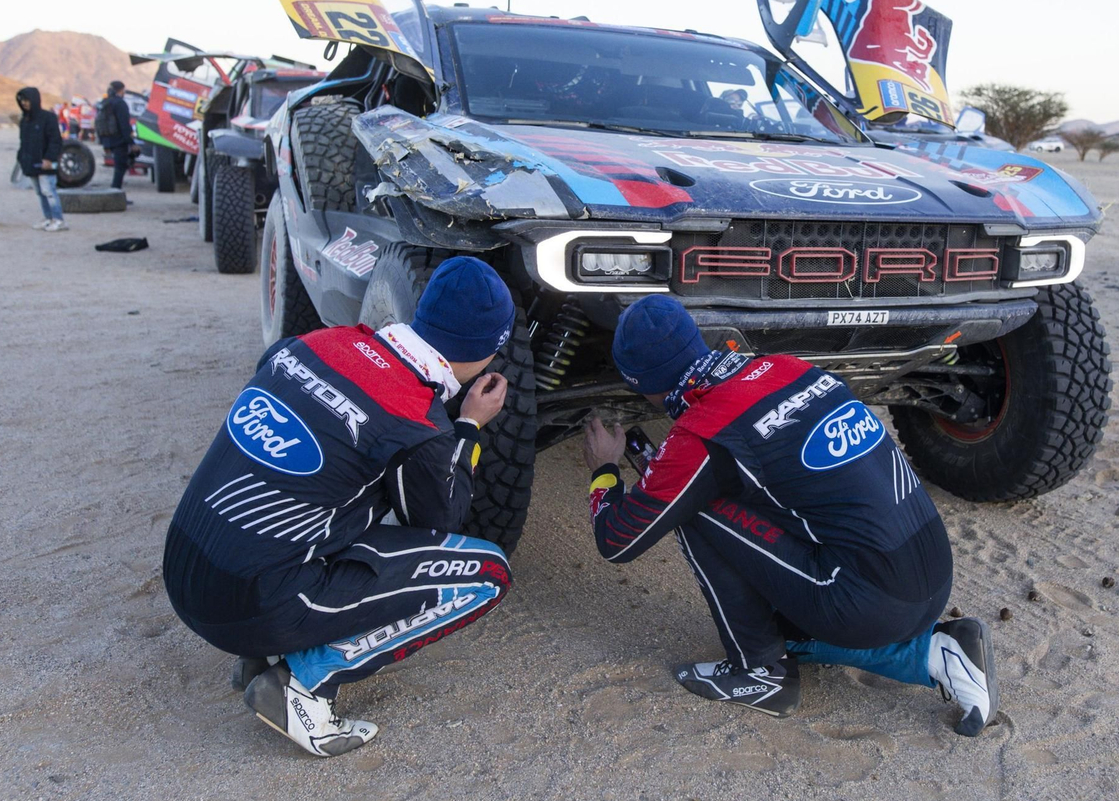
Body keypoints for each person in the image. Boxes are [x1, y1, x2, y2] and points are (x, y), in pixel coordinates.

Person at [581, 295, 996, 736]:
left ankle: (759, 672)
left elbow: (618, 540)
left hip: (870, 602)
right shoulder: (788, 367)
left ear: (643, 384)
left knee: (695, 508)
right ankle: (934, 651)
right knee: (783, 608)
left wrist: (604, 470)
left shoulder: (703, 430)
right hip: (930, 573)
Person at [163, 257, 518, 756]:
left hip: (182, 571)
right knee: (486, 574)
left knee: (326, 499)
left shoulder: (311, 343)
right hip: (247, 604)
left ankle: (260, 651)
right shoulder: (418, 424)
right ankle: (301, 684)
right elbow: (439, 521)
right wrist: (468, 427)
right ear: (489, 354)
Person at [15, 87, 67, 232]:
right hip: (30, 163)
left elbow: (55, 140)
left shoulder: (48, 118)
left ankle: (58, 219)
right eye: (22, 101)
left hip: (46, 163)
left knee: (49, 191)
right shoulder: (24, 120)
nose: (25, 103)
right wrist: (21, 158)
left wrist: (49, 158)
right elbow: (23, 141)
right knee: (39, 192)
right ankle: (48, 218)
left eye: (27, 100)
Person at [95, 80, 134, 189]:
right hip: (120, 141)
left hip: (109, 139)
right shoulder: (120, 103)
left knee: (118, 168)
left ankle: (115, 191)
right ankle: (115, 193)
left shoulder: (106, 102)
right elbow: (124, 125)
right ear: (121, 90)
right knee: (120, 169)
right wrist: (131, 142)